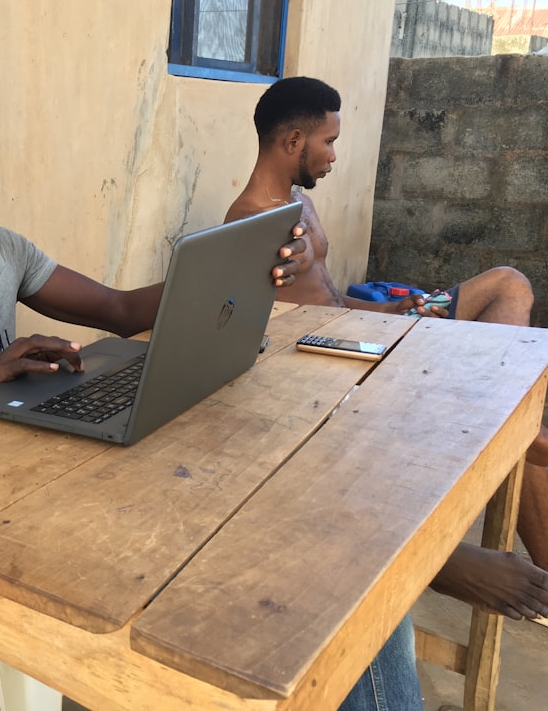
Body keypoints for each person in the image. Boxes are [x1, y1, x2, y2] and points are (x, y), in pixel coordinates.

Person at [0, 51, 429, 711]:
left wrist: (242, 270)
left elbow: (115, 311)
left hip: (46, 482)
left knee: (324, 554)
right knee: (244, 586)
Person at [226, 76, 548, 624]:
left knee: (508, 284)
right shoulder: (253, 222)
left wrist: (396, 309)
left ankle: (499, 409)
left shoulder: (296, 199)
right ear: (293, 141)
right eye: (328, 142)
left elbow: (324, 296)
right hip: (350, 360)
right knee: (527, 437)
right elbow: (290, 333)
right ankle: (508, 427)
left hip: (367, 324)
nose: (333, 156)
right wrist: (377, 329)